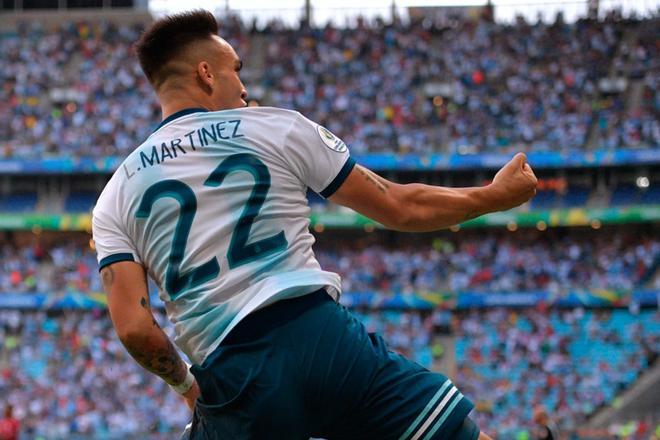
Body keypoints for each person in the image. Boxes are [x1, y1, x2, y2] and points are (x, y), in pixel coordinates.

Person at [92, 10, 537, 440]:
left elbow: (134, 327)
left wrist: (187, 387)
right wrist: (494, 197)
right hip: (322, 338)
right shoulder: (276, 128)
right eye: (236, 70)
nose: (243, 88)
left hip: (233, 370)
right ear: (207, 74)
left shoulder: (116, 194)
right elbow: (400, 206)